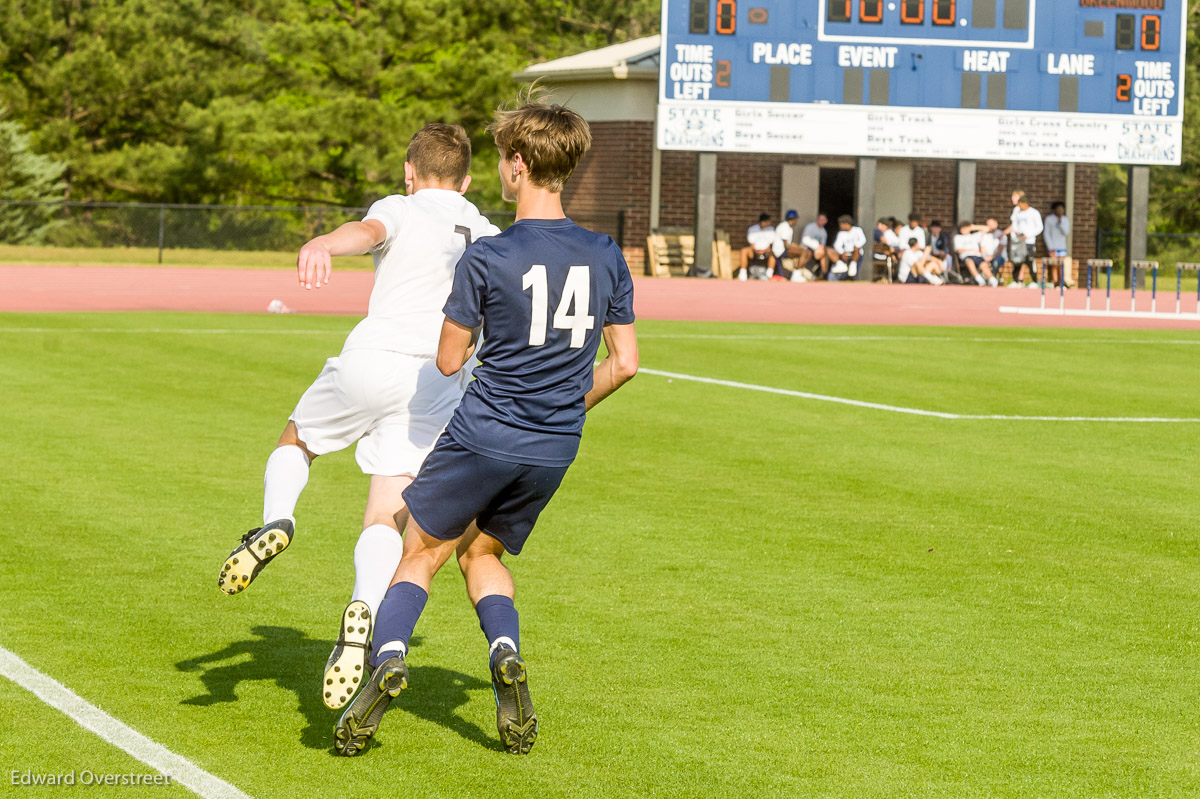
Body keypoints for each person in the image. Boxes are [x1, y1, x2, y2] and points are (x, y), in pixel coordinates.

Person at [334, 93, 639, 758]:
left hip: (483, 433)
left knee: (420, 551)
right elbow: (626, 364)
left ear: (518, 166)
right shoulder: (606, 253)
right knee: (484, 553)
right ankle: (504, 650)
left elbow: (448, 361)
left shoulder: (489, 255)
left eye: (504, 157)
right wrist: (558, 405)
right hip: (555, 445)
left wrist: (479, 345)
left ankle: (386, 660)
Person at [216, 123, 500, 711]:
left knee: (297, 439)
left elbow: (367, 231)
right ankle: (363, 611)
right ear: (468, 181)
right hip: (441, 377)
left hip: (374, 355)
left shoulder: (400, 206)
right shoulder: (485, 229)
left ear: (409, 172)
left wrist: (322, 242)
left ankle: (278, 520)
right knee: (388, 508)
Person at [1004, 190, 1043, 288]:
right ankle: (1016, 280)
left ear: (1025, 204)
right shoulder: (1018, 212)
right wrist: (1016, 232)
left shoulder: (1034, 213)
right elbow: (1015, 224)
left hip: (1029, 241)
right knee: (1017, 261)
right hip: (1019, 242)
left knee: (1030, 261)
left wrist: (1028, 235)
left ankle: (1034, 280)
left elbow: (1039, 227)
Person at [954, 221, 998, 286]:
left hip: (977, 255)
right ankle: (979, 279)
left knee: (983, 265)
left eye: (966, 228)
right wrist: (970, 250)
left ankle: (992, 279)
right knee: (970, 261)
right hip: (966, 255)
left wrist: (973, 227)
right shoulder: (958, 237)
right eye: (963, 228)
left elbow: (987, 228)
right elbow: (958, 250)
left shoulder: (974, 236)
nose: (964, 230)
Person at [738, 213, 775, 281]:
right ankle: (742, 273)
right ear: (763, 222)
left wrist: (763, 251)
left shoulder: (771, 230)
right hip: (754, 252)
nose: (770, 223)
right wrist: (756, 250)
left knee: (773, 253)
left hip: (766, 252)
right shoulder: (752, 229)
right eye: (768, 221)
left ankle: (769, 275)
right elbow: (751, 244)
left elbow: (770, 245)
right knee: (744, 250)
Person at [1043, 201, 1072, 286]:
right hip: (1053, 246)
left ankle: (1061, 282)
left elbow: (1066, 232)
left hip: (1062, 246)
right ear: (1054, 210)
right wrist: (1050, 247)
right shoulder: (1049, 219)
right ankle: (1054, 282)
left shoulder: (1065, 219)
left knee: (1061, 265)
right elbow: (1046, 233)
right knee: (1054, 264)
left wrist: (1060, 223)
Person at [829, 214, 866, 281]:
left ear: (846, 224)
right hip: (845, 252)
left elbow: (863, 240)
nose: (840, 226)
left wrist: (856, 245)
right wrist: (842, 252)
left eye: (841, 224)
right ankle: (840, 265)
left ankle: (853, 265)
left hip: (856, 252)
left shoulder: (857, 230)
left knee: (856, 249)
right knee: (830, 250)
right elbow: (837, 245)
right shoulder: (841, 233)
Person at [792, 213, 828, 277]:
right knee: (807, 253)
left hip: (816, 251)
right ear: (817, 219)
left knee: (824, 253)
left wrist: (819, 248)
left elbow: (822, 245)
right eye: (820, 219)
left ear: (826, 221)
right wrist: (817, 246)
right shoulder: (810, 227)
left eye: (823, 220)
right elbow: (805, 240)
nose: (821, 221)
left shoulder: (824, 232)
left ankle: (823, 274)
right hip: (805, 248)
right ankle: (797, 272)